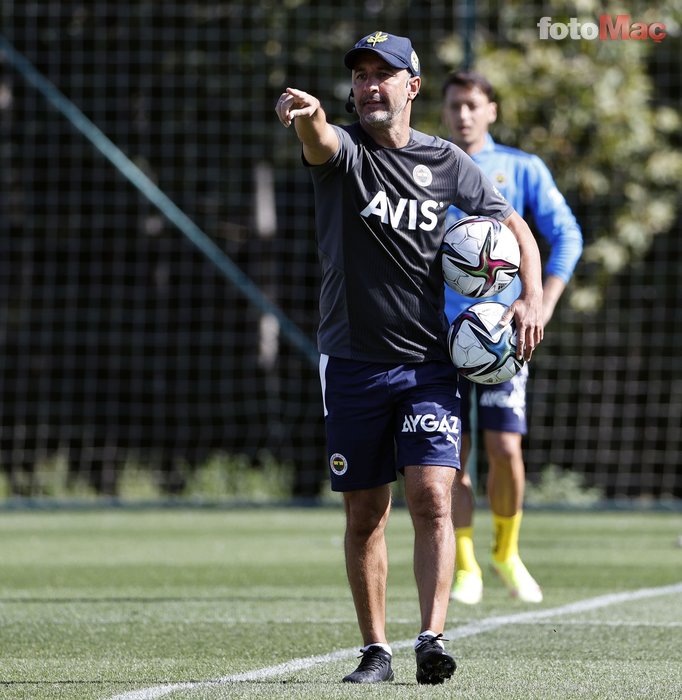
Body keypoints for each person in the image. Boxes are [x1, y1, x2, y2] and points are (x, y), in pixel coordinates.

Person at [275, 32, 544, 685]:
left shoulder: (449, 161)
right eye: (360, 75)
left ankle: (431, 637)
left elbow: (513, 229)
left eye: (384, 75)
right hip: (352, 362)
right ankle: (375, 651)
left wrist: (530, 297)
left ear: (411, 87)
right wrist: (309, 115)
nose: (370, 85)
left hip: (428, 361)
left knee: (431, 495)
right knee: (366, 512)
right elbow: (320, 139)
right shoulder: (343, 153)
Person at [441, 70, 583, 605]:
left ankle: (507, 551)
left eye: (473, 105)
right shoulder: (427, 167)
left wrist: (540, 301)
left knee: (504, 446)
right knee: (449, 454)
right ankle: (466, 564)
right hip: (441, 338)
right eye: (455, 105)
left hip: (503, 338)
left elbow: (567, 234)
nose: (464, 115)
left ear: (492, 110)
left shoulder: (522, 169)